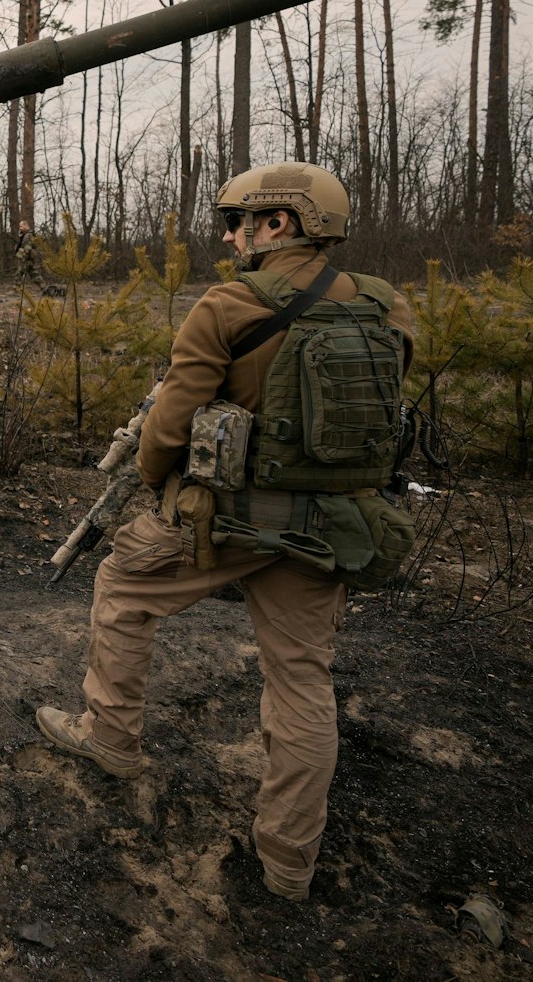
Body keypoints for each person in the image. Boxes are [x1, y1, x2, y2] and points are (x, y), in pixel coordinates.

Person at [36, 162, 415, 902]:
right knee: (303, 680)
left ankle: (110, 740)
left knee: (120, 584)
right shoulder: (385, 304)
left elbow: (168, 427)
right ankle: (288, 861)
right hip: (329, 529)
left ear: (282, 223)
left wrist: (156, 478)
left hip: (223, 522)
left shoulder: (229, 303)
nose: (231, 235)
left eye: (242, 220)